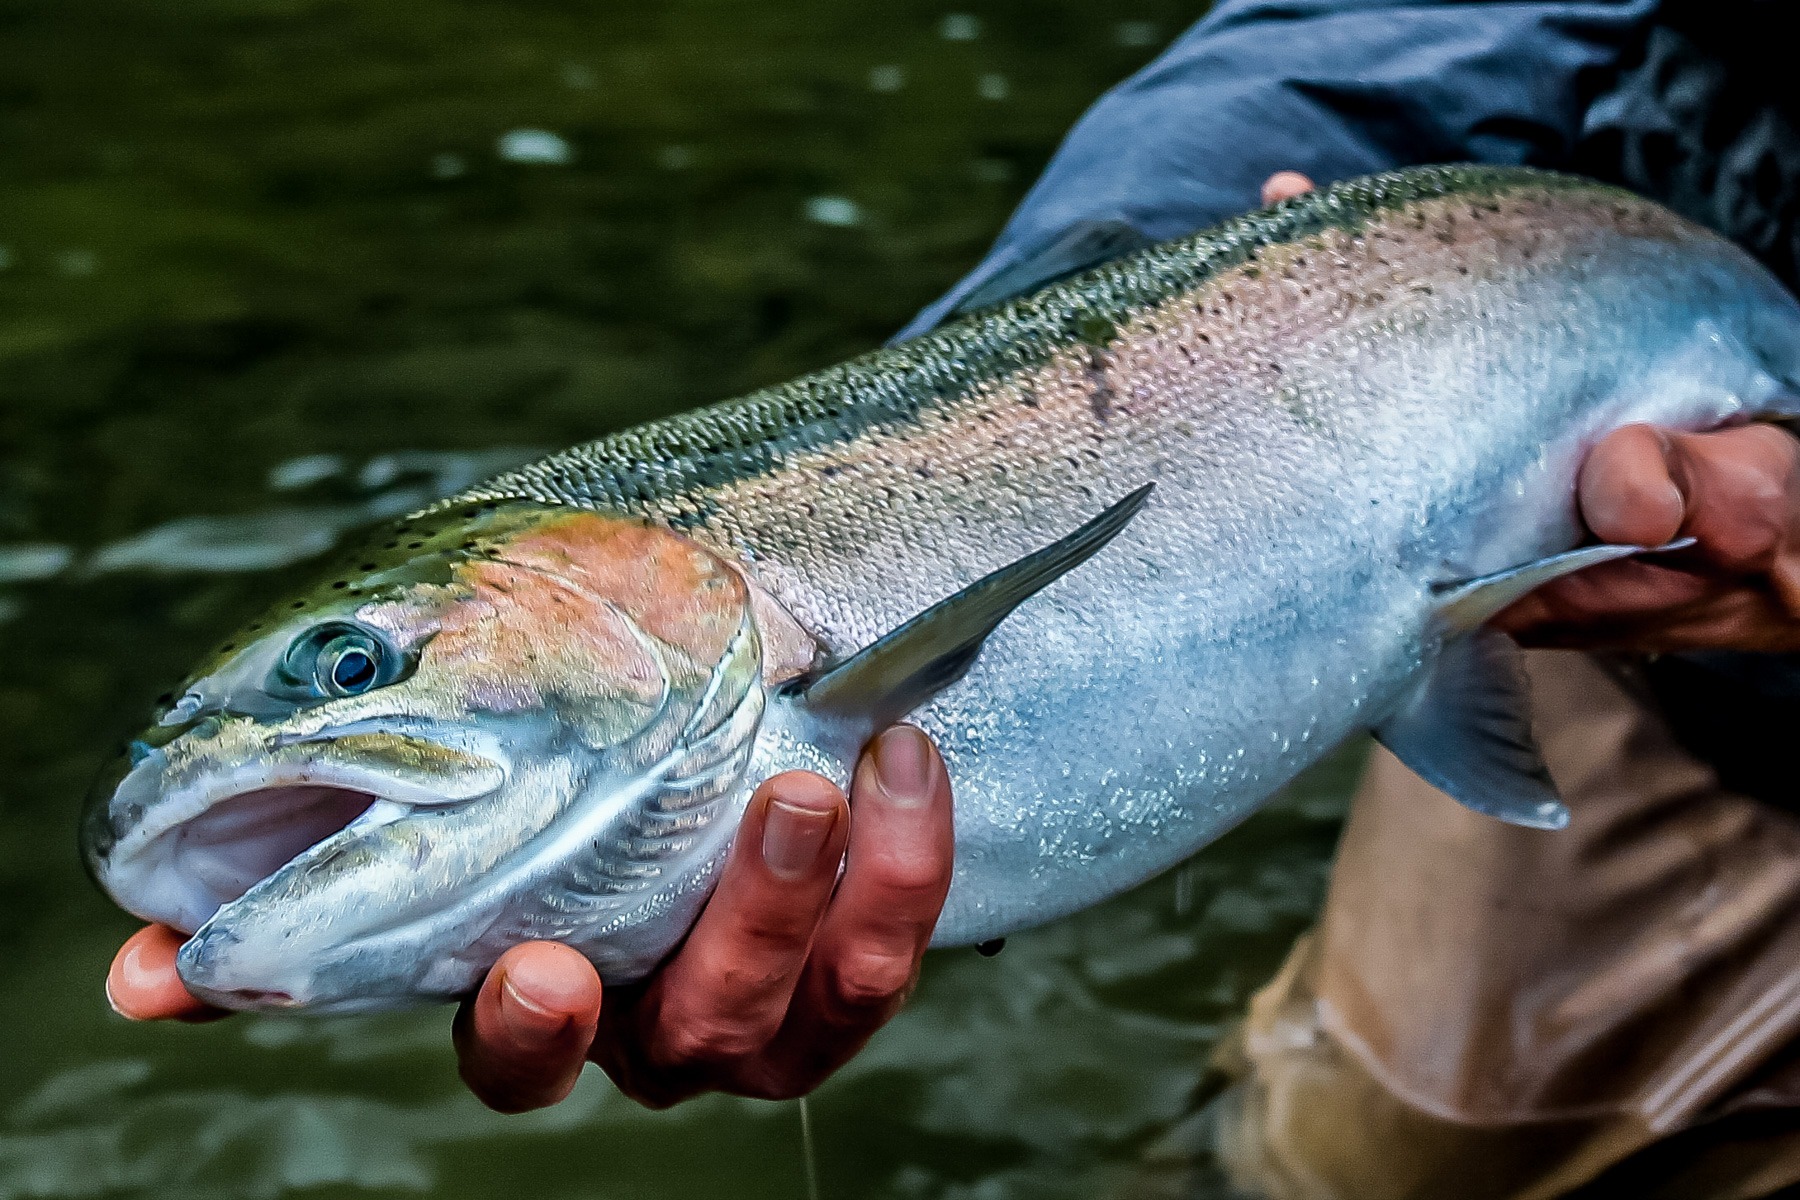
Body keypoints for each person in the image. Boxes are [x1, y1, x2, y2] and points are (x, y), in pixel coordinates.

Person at [108, 0, 1800, 1192]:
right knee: (1358, 1160)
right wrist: (1133, 259)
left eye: (350, 665)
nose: (320, 707)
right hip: (1637, 583)